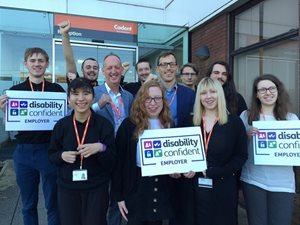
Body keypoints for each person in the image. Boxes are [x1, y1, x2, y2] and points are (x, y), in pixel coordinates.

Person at [0, 47, 65, 225]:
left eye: (41, 61)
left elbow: (62, 123)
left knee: (53, 202)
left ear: (47, 64)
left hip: (49, 150)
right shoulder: (15, 91)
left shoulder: (56, 90)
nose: (37, 64)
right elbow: (10, 126)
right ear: (26, 64)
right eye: (33, 60)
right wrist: (5, 111)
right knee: (28, 204)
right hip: (24, 152)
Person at [48, 78, 115, 225]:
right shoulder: (61, 126)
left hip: (96, 189)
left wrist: (101, 148)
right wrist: (61, 155)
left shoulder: (104, 125)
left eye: (86, 93)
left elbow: (112, 159)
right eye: (75, 94)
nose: (81, 98)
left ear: (93, 97)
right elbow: (51, 155)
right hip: (67, 189)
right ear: (69, 99)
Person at [112, 80, 174, 225]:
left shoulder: (169, 125)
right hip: (136, 186)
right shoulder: (128, 126)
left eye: (157, 98)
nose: (153, 103)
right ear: (141, 100)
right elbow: (118, 164)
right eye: (148, 98)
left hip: (160, 187)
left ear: (163, 101)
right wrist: (119, 196)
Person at [239, 74, 298, 225]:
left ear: (278, 91)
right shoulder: (246, 116)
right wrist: (245, 135)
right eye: (263, 89)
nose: (268, 93)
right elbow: (236, 149)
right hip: (253, 180)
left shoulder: (291, 119)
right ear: (257, 94)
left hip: (283, 183)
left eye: (272, 88)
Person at [190, 77, 247, 225]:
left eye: (213, 92)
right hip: (194, 188)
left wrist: (216, 172)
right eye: (203, 93)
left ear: (220, 94)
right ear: (199, 97)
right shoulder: (189, 122)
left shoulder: (234, 122)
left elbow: (241, 156)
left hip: (223, 187)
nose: (208, 97)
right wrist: (185, 168)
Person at [91, 53, 133, 225]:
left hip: (123, 154)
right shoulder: (93, 93)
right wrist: (97, 105)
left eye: (117, 67)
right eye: (109, 68)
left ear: (122, 70)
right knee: (99, 199)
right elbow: (74, 117)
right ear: (103, 71)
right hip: (101, 154)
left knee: (118, 195)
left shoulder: (129, 96)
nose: (114, 71)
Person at [155, 52, 195, 225]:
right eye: (164, 64)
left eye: (171, 64)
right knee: (156, 206)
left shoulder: (189, 94)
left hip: (181, 153)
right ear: (158, 69)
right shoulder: (149, 92)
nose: (168, 68)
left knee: (179, 208)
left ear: (177, 68)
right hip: (157, 153)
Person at [59, 20, 100, 87]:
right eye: (88, 67)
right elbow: (70, 61)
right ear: (82, 70)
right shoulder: (76, 84)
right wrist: (65, 35)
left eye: (95, 68)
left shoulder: (104, 91)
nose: (92, 70)